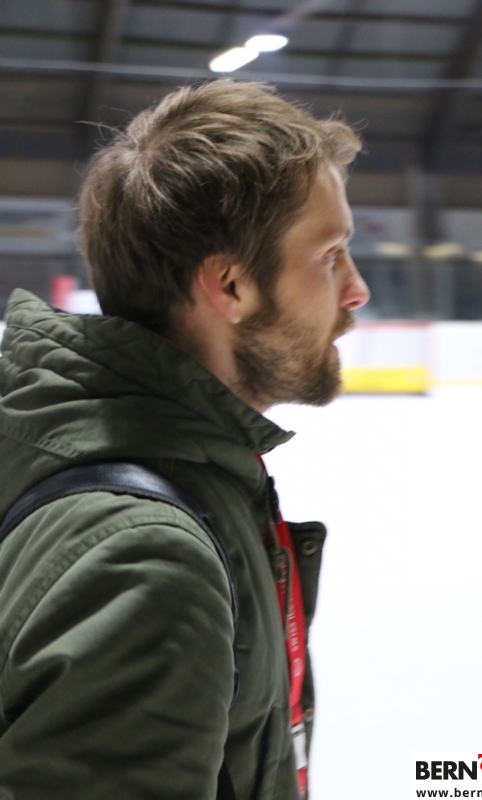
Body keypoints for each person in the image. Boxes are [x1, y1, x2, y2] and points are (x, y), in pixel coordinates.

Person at [0, 79, 370, 799]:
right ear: (229, 287)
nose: (355, 289)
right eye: (330, 255)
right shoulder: (144, 558)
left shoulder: (150, 463)